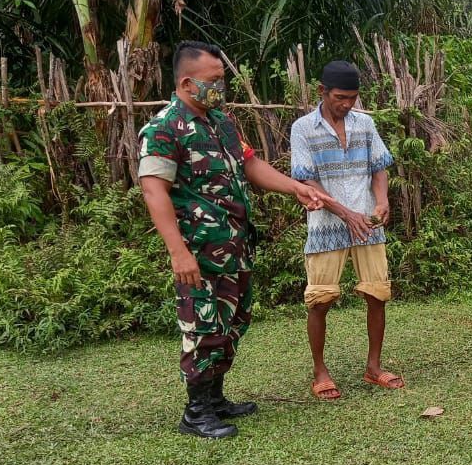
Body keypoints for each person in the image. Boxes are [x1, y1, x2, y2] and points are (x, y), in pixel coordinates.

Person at [139, 40, 332, 439]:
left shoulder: (222, 122)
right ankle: (195, 412)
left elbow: (250, 165)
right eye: (214, 80)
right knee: (203, 326)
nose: (221, 87)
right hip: (199, 251)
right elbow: (154, 191)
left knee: (233, 321)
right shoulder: (164, 128)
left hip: (235, 246)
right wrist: (178, 252)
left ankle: (215, 399)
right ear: (187, 83)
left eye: (222, 79)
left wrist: (295, 188)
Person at [290, 60, 402, 401]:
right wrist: (345, 213)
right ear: (322, 92)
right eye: (340, 97)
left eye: (352, 97)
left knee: (377, 294)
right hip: (325, 226)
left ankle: (374, 367)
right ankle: (320, 372)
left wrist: (381, 201)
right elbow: (305, 180)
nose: (347, 104)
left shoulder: (365, 124)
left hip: (368, 223)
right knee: (320, 300)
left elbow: (379, 168)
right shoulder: (303, 128)